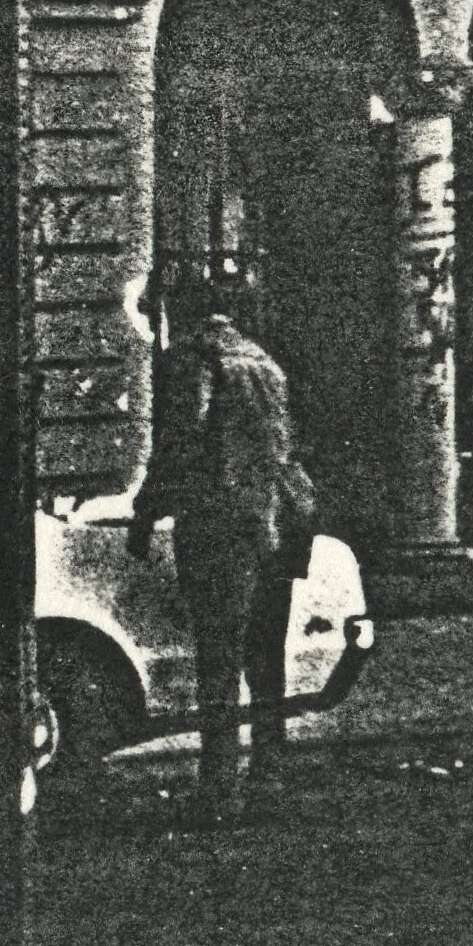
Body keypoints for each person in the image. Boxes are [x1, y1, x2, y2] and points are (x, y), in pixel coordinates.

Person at [137, 269, 322, 819]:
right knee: (266, 656)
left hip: (222, 521)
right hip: (281, 520)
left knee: (217, 655)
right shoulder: (263, 361)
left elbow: (180, 443)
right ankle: (271, 772)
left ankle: (218, 787)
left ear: (179, 310)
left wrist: (146, 512)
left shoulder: (191, 361)